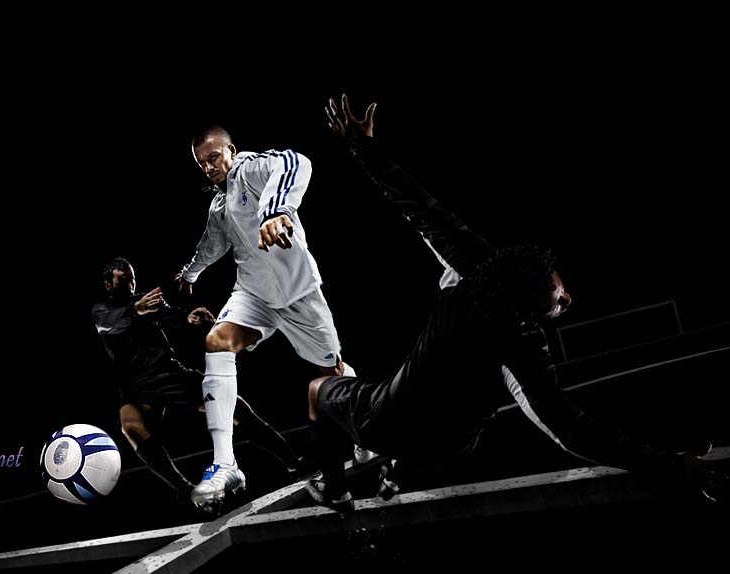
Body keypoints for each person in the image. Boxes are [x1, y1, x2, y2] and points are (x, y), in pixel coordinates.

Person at [304, 95, 720, 512]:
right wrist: (670, 466)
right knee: (442, 424)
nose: (567, 299)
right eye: (558, 299)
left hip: (387, 423)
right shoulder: (524, 349)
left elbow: (418, 204)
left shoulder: (473, 264)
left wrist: (360, 144)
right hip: (449, 450)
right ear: (528, 312)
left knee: (318, 389)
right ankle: (398, 472)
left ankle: (335, 489)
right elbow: (570, 429)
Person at [176, 125, 367, 510]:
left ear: (231, 150)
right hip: (254, 294)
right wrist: (191, 273)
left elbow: (296, 162)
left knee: (331, 374)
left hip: (298, 292)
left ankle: (364, 429)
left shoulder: (251, 169)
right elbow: (211, 244)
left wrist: (276, 210)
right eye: (201, 164)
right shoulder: (219, 204)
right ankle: (225, 463)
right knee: (217, 342)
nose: (208, 167)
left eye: (213, 158)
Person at [93, 258, 303, 510]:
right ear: (108, 284)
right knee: (130, 426)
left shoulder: (147, 301)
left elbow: (169, 315)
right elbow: (111, 323)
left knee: (232, 407)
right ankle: (185, 490)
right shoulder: (102, 310)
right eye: (123, 279)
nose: (130, 283)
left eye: (132, 279)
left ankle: (294, 463)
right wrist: (135, 309)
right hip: (136, 386)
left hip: (167, 373)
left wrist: (189, 318)